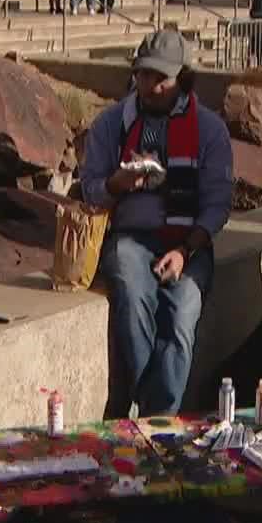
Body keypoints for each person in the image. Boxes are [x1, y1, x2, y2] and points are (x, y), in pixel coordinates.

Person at [79, 30, 233, 415]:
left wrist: (185, 252)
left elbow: (217, 206)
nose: (150, 87)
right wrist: (117, 183)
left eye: (159, 79)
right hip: (130, 237)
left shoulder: (210, 130)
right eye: (142, 76)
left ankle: (153, 416)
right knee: (132, 297)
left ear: (182, 80)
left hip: (188, 242)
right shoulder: (112, 124)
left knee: (180, 318)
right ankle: (158, 415)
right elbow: (89, 190)